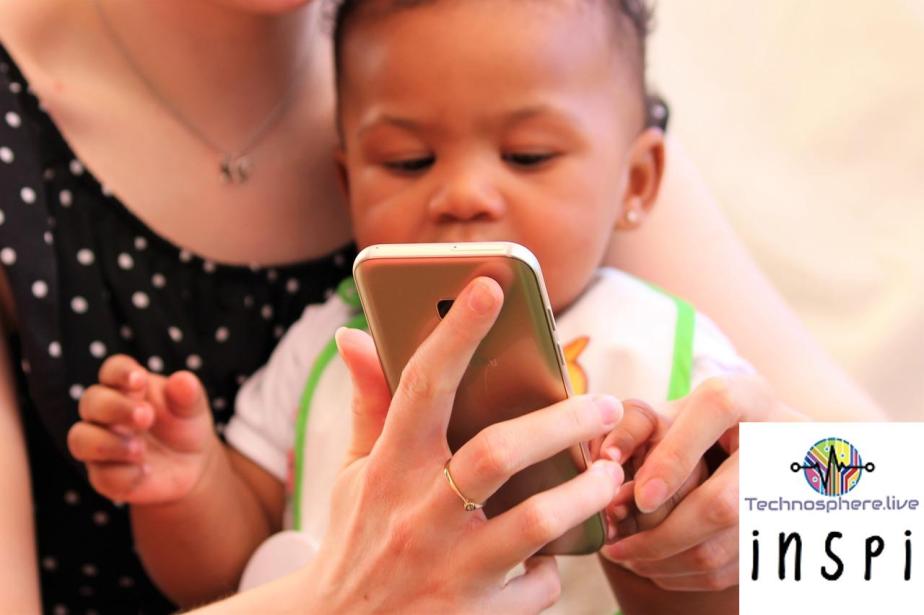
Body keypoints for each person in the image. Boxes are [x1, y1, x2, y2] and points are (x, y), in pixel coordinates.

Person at [0, 0, 883, 613]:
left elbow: (886, 540)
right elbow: (231, 555)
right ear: (345, 170)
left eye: (529, 156)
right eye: (409, 163)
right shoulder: (335, 343)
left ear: (636, 178)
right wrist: (189, 488)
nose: (464, 195)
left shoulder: (663, 335)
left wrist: (784, 508)